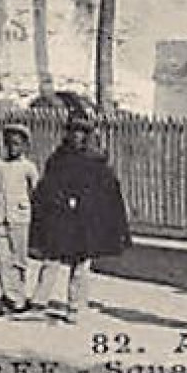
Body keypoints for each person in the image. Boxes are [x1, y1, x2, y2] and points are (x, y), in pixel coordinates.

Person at [29, 109, 130, 324]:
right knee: (51, 259)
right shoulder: (58, 158)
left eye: (81, 131)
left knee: (81, 263)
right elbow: (47, 186)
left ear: (87, 134)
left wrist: (90, 207)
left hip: (84, 221)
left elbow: (108, 192)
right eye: (73, 131)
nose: (76, 135)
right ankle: (39, 302)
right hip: (60, 218)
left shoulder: (96, 161)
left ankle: (75, 307)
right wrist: (57, 201)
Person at [0, 122, 40, 315]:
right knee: (2, 259)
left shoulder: (28, 167)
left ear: (25, 146)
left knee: (18, 259)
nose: (12, 148)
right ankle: (8, 296)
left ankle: (19, 296)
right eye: (9, 143)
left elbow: (36, 192)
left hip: (19, 218)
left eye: (17, 144)